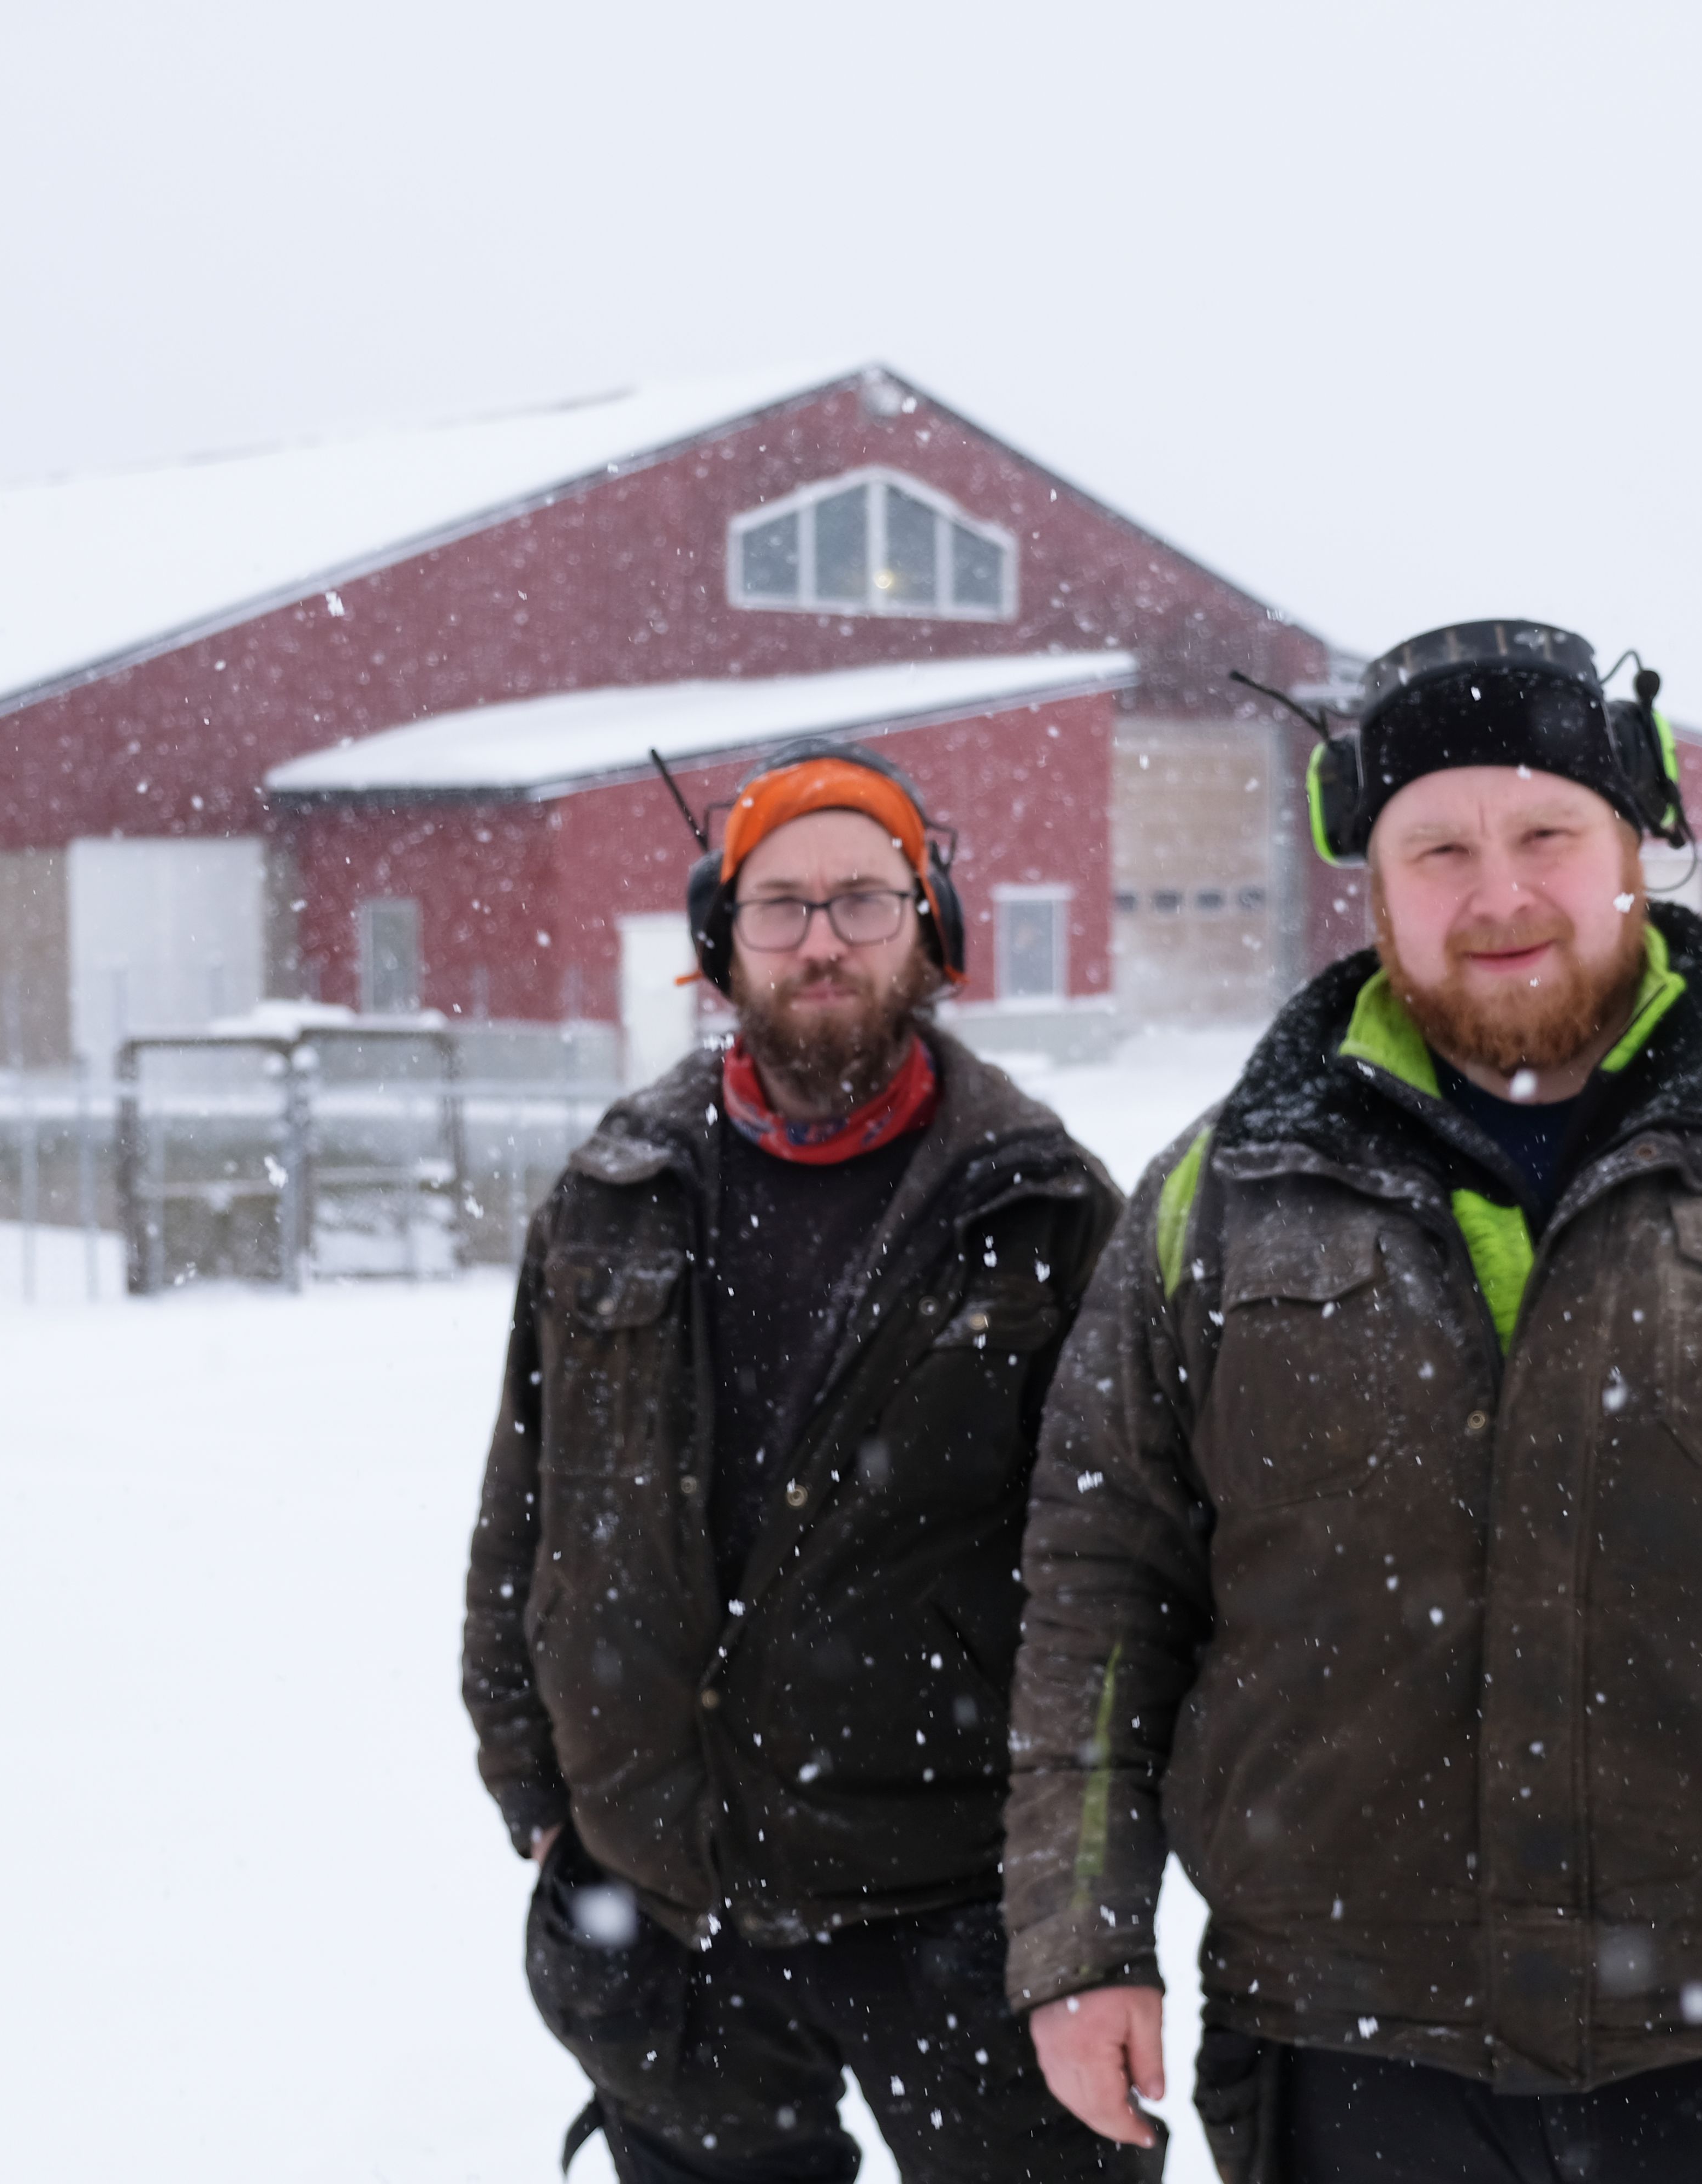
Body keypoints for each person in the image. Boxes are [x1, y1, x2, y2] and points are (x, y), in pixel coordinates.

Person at [1002, 621, 1702, 2183]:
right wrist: (1082, 1936)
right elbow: (1102, 1591)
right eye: (1438, 847)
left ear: (1636, 849)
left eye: (1546, 833)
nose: (1500, 893)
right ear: (1371, 881)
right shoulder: (1222, 1190)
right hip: (1355, 2057)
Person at [463, 741, 1144, 2184]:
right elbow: (531, 1499)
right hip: (672, 1903)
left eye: (863, 899)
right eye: (781, 906)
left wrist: (1082, 1888)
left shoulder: (1040, 1206)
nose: (821, 939)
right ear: (722, 941)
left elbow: (1121, 1566)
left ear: (931, 923)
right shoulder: (615, 1193)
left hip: (951, 1902)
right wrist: (531, 1773)